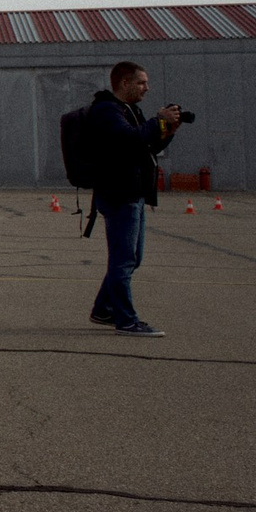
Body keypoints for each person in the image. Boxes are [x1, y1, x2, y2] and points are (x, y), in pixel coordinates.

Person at [84, 61, 184, 337]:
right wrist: (158, 120)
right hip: (118, 194)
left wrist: (167, 132)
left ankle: (103, 309)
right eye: (141, 83)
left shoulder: (130, 111)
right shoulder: (107, 111)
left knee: (132, 258)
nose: (146, 88)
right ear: (124, 83)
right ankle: (126, 320)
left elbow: (146, 145)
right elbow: (129, 139)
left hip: (134, 193)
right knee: (124, 260)